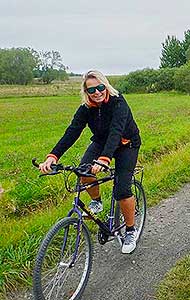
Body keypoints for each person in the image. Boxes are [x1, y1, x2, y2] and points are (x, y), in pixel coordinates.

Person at [38, 70, 141, 254]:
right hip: (101, 142)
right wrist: (53, 156)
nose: (97, 92)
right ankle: (97, 201)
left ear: (106, 86)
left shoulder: (118, 102)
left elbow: (116, 131)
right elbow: (72, 132)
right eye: (91, 90)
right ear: (86, 92)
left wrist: (104, 159)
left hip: (127, 144)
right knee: (83, 171)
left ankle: (131, 230)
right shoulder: (86, 108)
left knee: (122, 189)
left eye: (100, 87)